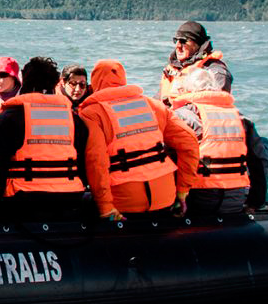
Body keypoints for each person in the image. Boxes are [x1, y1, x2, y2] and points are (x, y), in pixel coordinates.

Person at [78, 60, 200, 221]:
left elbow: (97, 162)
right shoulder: (154, 105)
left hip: (124, 202)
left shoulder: (92, 113)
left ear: (94, 84)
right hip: (165, 196)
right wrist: (183, 190)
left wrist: (105, 207)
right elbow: (190, 143)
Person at [0, 57, 89, 222]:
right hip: (70, 198)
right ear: (55, 84)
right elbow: (85, 164)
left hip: (23, 200)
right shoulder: (75, 120)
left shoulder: (9, 119)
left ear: (24, 81)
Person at [170, 70, 268, 215]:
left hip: (198, 200)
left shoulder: (183, 116)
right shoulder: (240, 118)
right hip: (235, 200)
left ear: (187, 90)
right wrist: (254, 203)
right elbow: (259, 162)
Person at [159, 21, 232, 104]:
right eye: (176, 40)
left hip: (190, 111)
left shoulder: (215, 71)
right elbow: (157, 100)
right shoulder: (171, 70)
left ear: (198, 44)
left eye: (183, 41)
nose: (178, 46)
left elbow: (217, 103)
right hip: (168, 111)